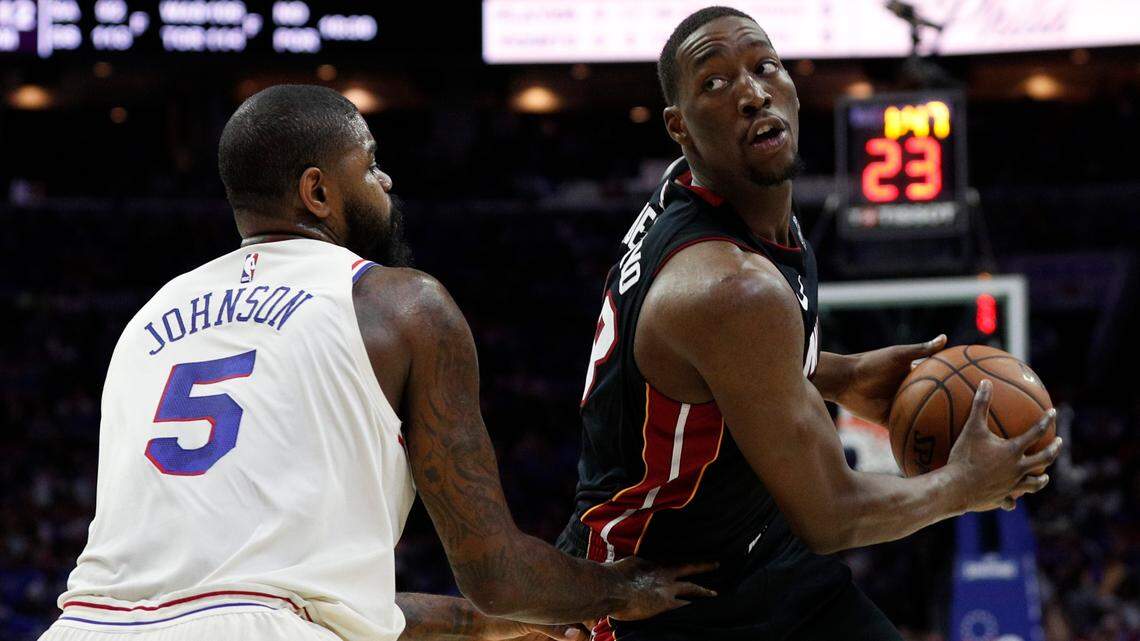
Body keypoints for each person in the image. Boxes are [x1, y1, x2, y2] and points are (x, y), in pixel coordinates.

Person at [37, 85, 715, 641]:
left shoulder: (149, 318)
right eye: (369, 165)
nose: (385, 180)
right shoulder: (401, 304)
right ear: (318, 192)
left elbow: (267, 595)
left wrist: (483, 626)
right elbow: (496, 572)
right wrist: (621, 587)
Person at [555, 7, 1063, 641]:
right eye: (714, 82)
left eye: (765, 66)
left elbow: (710, 371)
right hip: (659, 590)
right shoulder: (731, 286)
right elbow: (832, 515)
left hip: (762, 555)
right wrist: (964, 486)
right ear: (679, 128)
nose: (750, 91)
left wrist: (840, 375)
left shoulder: (737, 206)